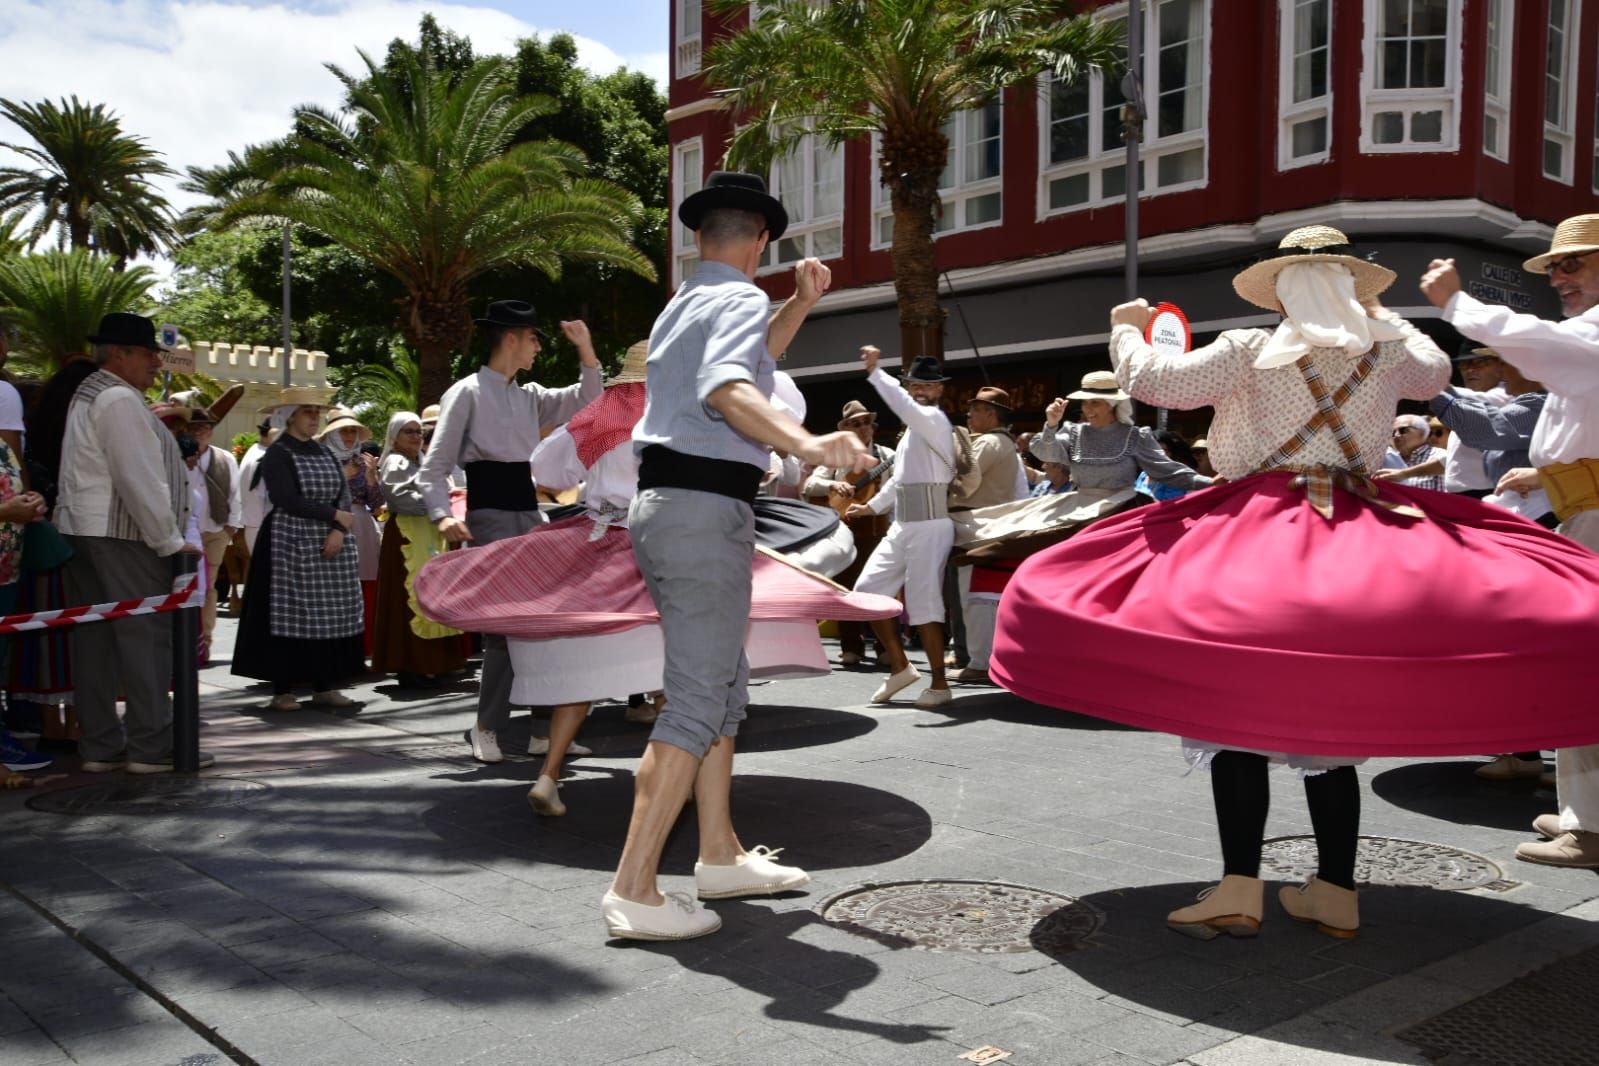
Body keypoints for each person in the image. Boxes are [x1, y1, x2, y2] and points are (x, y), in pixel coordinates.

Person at [994, 224, 1599, 938]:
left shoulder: (1250, 349)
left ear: (1280, 289)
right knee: (1328, 728)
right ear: (1349, 289)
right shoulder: (1386, 352)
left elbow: (1157, 383)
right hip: (1361, 530)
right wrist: (1380, 315)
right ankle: (1334, 891)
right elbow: (1436, 373)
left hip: (1257, 526)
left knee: (1232, 712)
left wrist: (1125, 330)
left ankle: (1238, 888)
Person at [600, 170, 869, 940]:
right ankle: (633, 892)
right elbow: (728, 387)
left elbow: (744, 362)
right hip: (701, 508)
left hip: (673, 507)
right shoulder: (737, 299)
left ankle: (717, 855)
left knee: (718, 686)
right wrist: (806, 441)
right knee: (694, 698)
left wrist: (800, 305)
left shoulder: (688, 302)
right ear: (761, 241)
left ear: (698, 237)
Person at [1422, 213, 1599, 868]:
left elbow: (1530, 343)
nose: (1557, 276)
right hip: (1577, 508)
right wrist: (1547, 476)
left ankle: (1592, 825)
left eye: (1571, 263)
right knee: (1580, 672)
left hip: (1591, 516)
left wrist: (1458, 304)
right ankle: (1587, 815)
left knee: (1587, 674)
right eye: (1554, 266)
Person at [418, 302, 604, 764]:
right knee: (504, 627)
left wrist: (585, 348)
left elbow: (588, 398)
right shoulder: (465, 392)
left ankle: (543, 732)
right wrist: (442, 514)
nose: (539, 347)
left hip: (527, 513)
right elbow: (435, 465)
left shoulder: (530, 394)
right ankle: (486, 726)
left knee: (546, 621)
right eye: (534, 338)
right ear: (512, 338)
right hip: (491, 514)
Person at [56, 313, 211, 774]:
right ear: (119, 353)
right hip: (121, 534)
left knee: (96, 639)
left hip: (86, 530)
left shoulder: (92, 393)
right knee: (144, 638)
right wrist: (168, 541)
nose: (156, 365)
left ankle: (102, 744)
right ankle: (150, 745)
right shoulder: (118, 397)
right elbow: (136, 475)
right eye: (148, 355)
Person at [232, 388, 364, 710]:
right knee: (288, 614)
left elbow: (341, 495)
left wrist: (337, 530)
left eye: (316, 412)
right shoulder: (278, 454)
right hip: (287, 541)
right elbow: (286, 499)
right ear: (290, 416)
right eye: (308, 412)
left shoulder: (324, 453)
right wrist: (334, 516)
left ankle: (324, 684)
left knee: (327, 615)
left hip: (328, 542)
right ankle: (282, 689)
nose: (314, 418)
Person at [846, 351, 958, 709]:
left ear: (939, 391)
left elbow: (905, 407)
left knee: (925, 604)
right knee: (867, 593)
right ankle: (900, 667)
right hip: (904, 525)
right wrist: (871, 507)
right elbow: (899, 479)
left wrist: (876, 373)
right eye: (916, 383)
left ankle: (939, 683)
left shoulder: (933, 420)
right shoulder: (914, 430)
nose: (922, 389)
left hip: (930, 525)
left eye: (929, 384)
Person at [371, 411, 464, 688]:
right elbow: (399, 499)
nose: (415, 437)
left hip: (431, 534)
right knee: (412, 596)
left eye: (418, 432)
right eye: (408, 431)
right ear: (395, 437)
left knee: (435, 592)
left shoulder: (421, 461)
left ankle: (439, 661)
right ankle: (413, 663)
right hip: (408, 538)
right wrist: (438, 503)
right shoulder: (396, 462)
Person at [803, 399, 894, 666]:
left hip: (876, 529)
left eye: (867, 422)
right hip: (844, 529)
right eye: (856, 423)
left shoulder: (888, 455)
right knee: (843, 588)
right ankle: (851, 646)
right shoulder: (837, 457)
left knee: (880, 588)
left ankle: (884, 647)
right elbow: (810, 485)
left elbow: (895, 491)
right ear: (846, 429)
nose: (864, 427)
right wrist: (834, 484)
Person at [186, 407, 241, 659]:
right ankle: (186, 639)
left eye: (204, 428)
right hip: (186, 535)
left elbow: (235, 493)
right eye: (195, 428)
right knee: (185, 588)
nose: (200, 432)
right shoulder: (178, 457)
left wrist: (230, 526)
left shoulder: (225, 458)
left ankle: (204, 642)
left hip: (215, 531)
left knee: (207, 588)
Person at [1376, 413, 1444, 489]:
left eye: (1403, 430)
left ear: (1422, 432)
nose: (1396, 435)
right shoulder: (1386, 458)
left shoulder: (1439, 455)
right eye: (1393, 432)